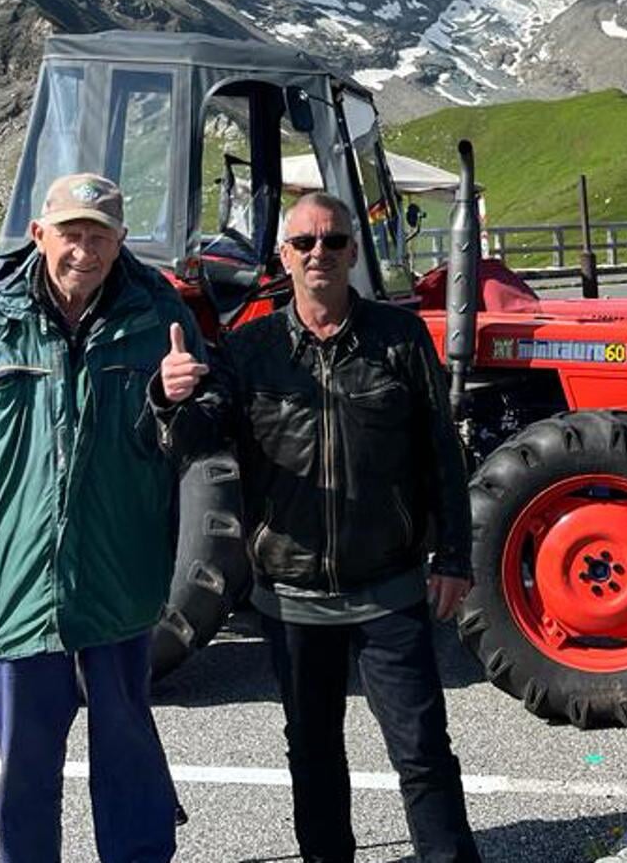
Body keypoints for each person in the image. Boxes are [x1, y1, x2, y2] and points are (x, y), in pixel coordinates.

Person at [154, 190, 483, 863]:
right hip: (292, 597)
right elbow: (193, 439)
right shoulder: (251, 349)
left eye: (332, 241)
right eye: (304, 243)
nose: (318, 254)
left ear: (352, 252)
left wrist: (454, 555)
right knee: (313, 753)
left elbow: (441, 454)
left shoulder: (399, 338)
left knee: (421, 750)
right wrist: (169, 395)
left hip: (388, 586)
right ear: (284, 255)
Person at [0, 172, 193, 863]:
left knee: (128, 747)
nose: (86, 251)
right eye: (72, 234)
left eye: (99, 236)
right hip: (18, 583)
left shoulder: (156, 312)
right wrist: (13, 487)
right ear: (40, 235)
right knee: (25, 764)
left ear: (120, 241)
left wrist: (170, 403)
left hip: (117, 571)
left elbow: (191, 433)